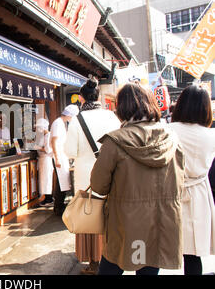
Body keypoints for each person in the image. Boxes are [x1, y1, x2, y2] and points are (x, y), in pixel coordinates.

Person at [90, 83, 185, 275]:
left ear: (122, 108)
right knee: (148, 266)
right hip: (161, 220)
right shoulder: (172, 139)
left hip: (124, 223)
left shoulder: (114, 141)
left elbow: (98, 186)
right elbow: (180, 181)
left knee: (111, 265)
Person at [64, 78, 120, 275]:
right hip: (112, 175)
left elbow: (70, 151)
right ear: (98, 96)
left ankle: (93, 262)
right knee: (109, 217)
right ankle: (111, 257)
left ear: (81, 98)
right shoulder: (112, 117)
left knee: (88, 216)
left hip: (86, 177)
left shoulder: (77, 121)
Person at [168, 85, 215, 275]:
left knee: (162, 247)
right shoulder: (210, 135)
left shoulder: (168, 130)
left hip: (172, 191)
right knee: (194, 253)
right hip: (199, 193)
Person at [50, 104, 79, 214]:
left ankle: (59, 205)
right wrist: (57, 158)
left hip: (62, 155)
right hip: (58, 156)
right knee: (60, 182)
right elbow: (54, 141)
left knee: (62, 181)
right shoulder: (58, 123)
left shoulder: (61, 123)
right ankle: (58, 207)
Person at [33, 118, 54, 206]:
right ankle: (46, 197)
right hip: (42, 159)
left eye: (39, 128)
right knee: (44, 180)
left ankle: (48, 199)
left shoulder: (48, 135)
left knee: (46, 179)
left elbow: (48, 149)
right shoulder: (44, 136)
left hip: (46, 159)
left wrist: (37, 147)